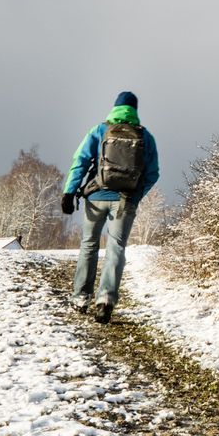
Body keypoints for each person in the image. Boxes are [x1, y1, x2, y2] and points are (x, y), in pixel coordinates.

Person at [63, 90, 161, 323]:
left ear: (114, 108)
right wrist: (135, 196)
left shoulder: (99, 131)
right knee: (116, 247)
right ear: (135, 110)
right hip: (125, 201)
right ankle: (105, 301)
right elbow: (153, 174)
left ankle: (80, 298)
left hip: (96, 197)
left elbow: (80, 161)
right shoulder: (145, 137)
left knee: (89, 244)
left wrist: (69, 192)